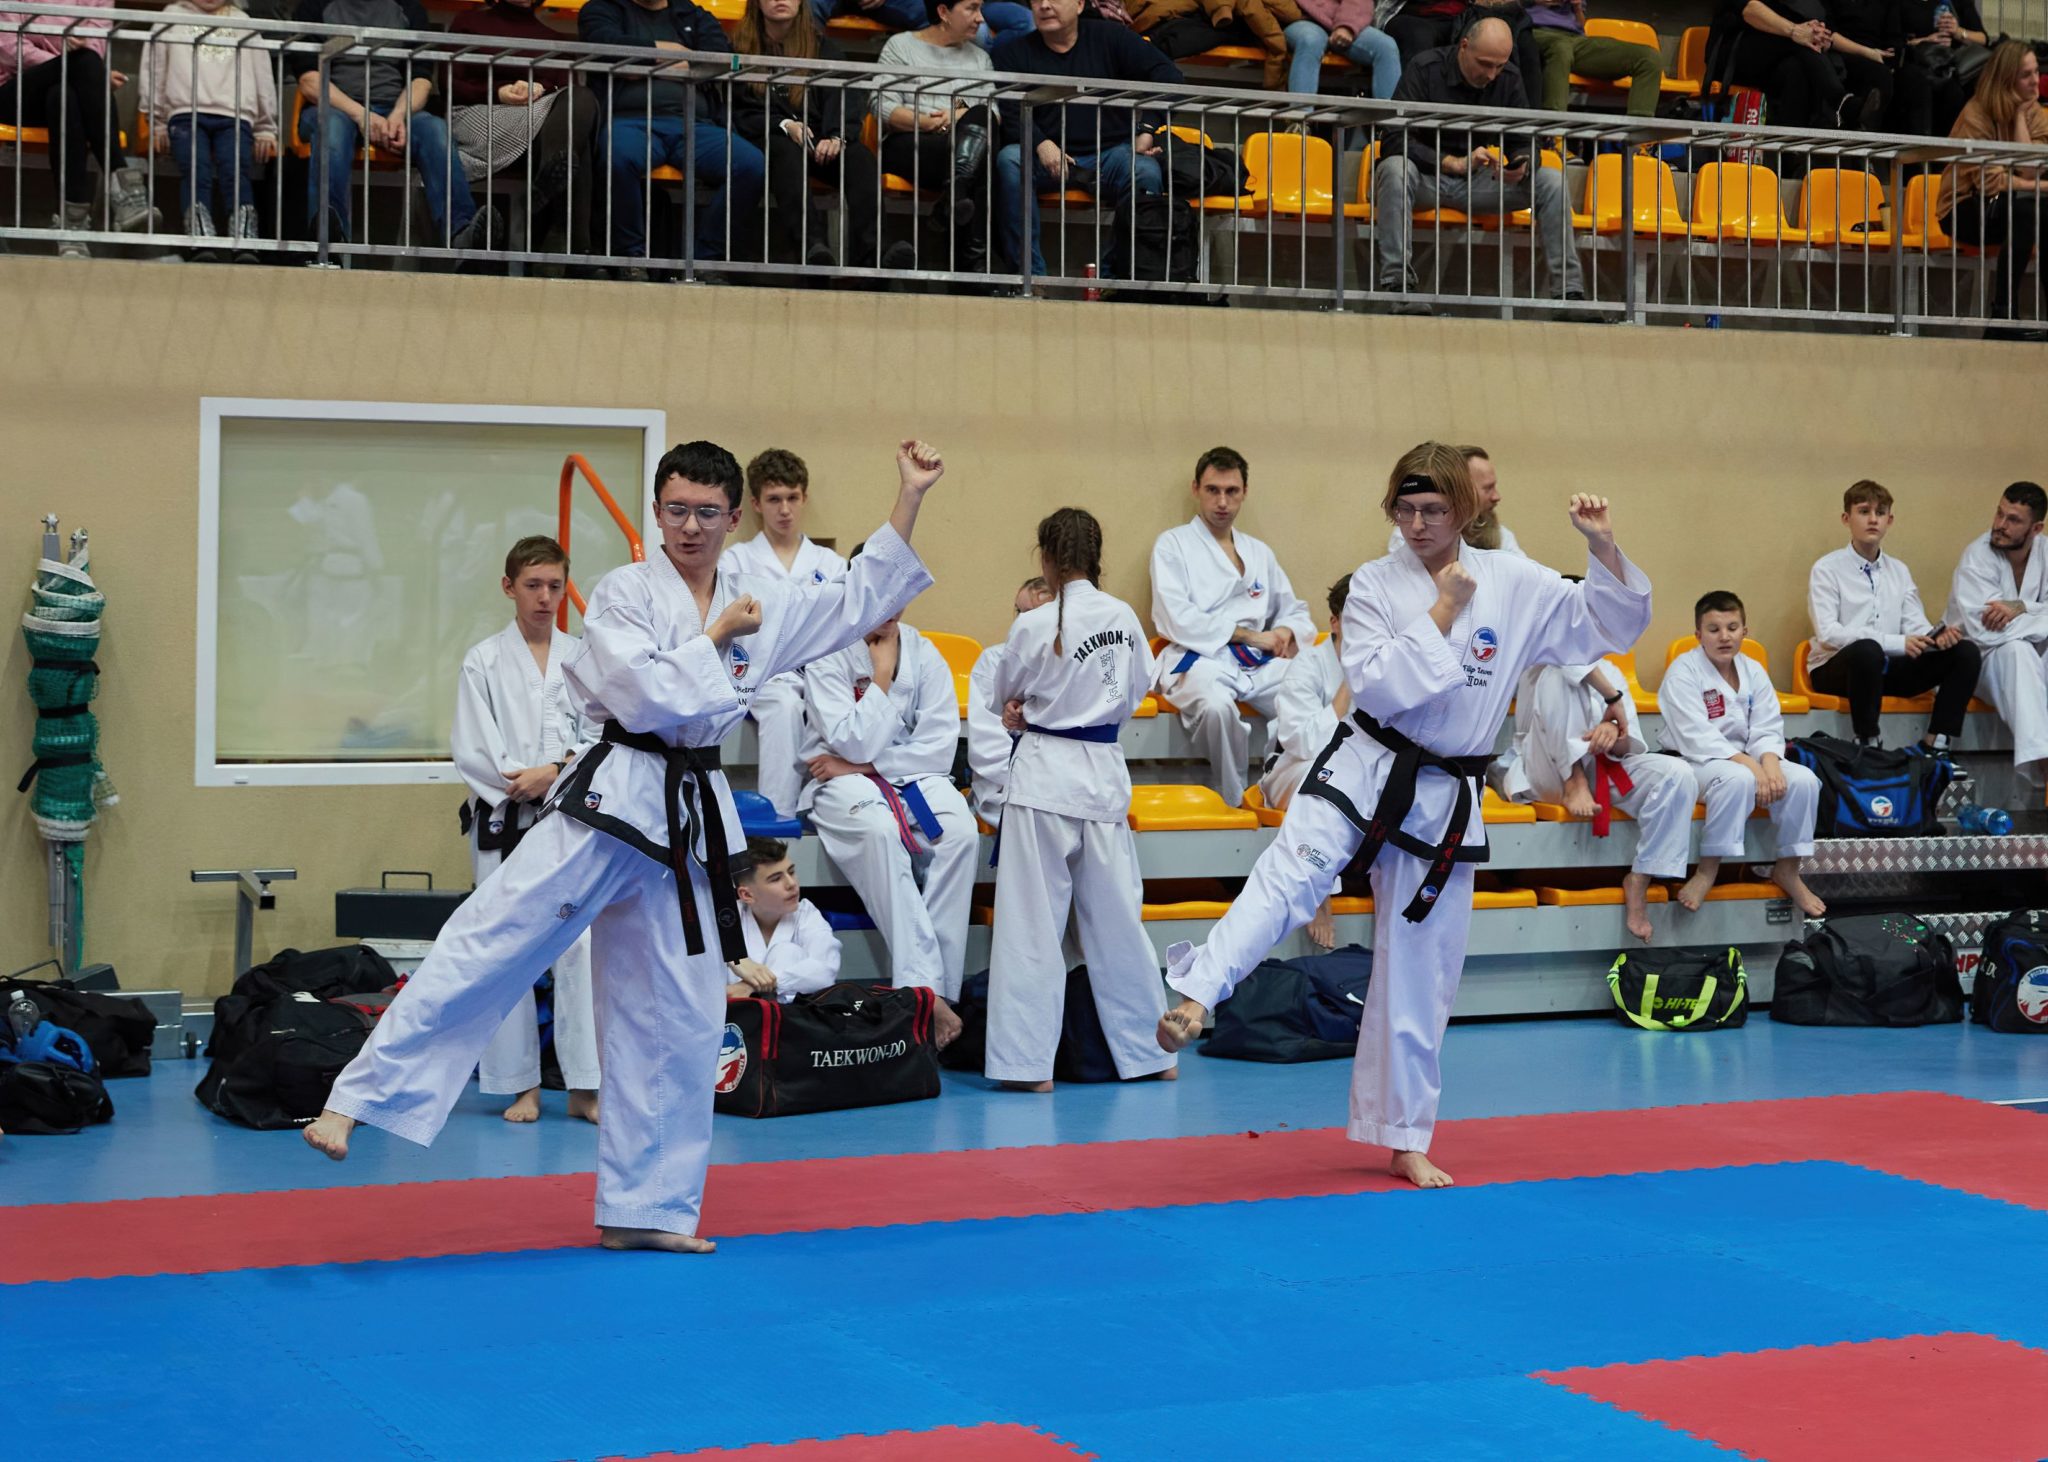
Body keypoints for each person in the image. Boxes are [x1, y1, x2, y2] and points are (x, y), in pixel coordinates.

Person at [302, 437, 952, 1258]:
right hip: (615, 797)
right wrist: (716, 636)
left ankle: (645, 1209)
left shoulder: (762, 597)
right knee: (494, 934)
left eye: (707, 512)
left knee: (678, 1015)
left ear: (734, 517)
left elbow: (859, 599)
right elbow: (641, 695)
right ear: (656, 512)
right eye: (676, 510)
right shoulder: (624, 592)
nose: (691, 526)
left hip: (690, 816)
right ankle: (355, 1099)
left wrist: (910, 495)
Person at [1156, 443, 1652, 1189]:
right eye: (1406, 510)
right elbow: (1381, 687)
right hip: (1365, 764)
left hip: (1445, 793)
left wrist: (1603, 547)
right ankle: (1200, 991)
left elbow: (1601, 627)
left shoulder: (1514, 581)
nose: (1418, 525)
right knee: (1289, 876)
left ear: (1466, 509)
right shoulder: (1373, 586)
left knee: (1423, 969)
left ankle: (1404, 1136)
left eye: (1434, 510)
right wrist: (1444, 610)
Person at [986, 508, 1173, 1091]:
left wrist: (1027, 710)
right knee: (1118, 923)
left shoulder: (1033, 624)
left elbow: (1003, 693)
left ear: (1046, 558)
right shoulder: (1122, 616)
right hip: (1102, 777)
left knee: (1031, 929)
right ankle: (1153, 1054)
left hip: (1044, 778)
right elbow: (1137, 690)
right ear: (1096, 557)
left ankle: (1026, 1067)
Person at [451, 536, 601, 1124]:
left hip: (571, 820)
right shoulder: (483, 661)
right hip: (504, 818)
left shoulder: (583, 658)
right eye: (533, 585)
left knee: (580, 946)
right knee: (507, 947)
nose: (544, 597)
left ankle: (585, 1085)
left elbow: (603, 739)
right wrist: (525, 781)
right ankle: (521, 1086)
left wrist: (555, 773)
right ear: (509, 587)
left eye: (555, 586)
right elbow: (473, 748)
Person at [800, 600, 977, 1010]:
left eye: (901, 597)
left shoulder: (923, 652)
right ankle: (926, 996)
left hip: (910, 775)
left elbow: (939, 748)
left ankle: (936, 991)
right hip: (837, 781)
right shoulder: (828, 652)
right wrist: (881, 675)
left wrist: (864, 765)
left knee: (961, 834)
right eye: (883, 595)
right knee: (880, 831)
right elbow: (851, 742)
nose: (893, 607)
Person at [1371, 19, 1590, 316]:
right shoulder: (1425, 68)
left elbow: (1525, 139)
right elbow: (1394, 139)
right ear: (1464, 46)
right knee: (1395, 168)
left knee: (1551, 180)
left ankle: (1569, 295)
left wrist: (1521, 164)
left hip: (1479, 182)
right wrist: (1452, 163)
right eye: (1485, 64)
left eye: (1499, 66)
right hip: (1425, 178)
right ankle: (1399, 289)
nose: (1491, 74)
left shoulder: (1509, 77)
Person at [1151, 445, 1317, 807]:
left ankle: (1280, 789)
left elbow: (1294, 610)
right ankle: (1233, 799)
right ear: (1196, 489)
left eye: (1232, 491)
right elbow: (1174, 616)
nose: (1222, 502)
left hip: (1256, 662)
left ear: (1244, 492)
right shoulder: (1173, 545)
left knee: (1306, 692)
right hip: (1201, 658)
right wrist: (1249, 635)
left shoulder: (1259, 552)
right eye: (1213, 490)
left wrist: (1285, 631)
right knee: (1216, 707)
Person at [1493, 657, 1694, 941]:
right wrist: (1610, 699)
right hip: (1547, 769)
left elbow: (1629, 745)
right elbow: (1567, 658)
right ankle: (1572, 777)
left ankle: (1640, 878)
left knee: (1679, 774)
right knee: (1558, 672)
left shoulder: (1611, 673)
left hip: (1603, 769)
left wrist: (1613, 731)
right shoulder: (1541, 662)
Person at [1658, 591, 1826, 917]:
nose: (1724, 636)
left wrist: (1771, 764)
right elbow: (1696, 736)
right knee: (1737, 780)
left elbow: (1767, 725)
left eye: (1732, 628)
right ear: (1698, 635)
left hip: (1748, 758)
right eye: (1714, 629)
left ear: (1744, 632)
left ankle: (1788, 869)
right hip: (1694, 761)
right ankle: (1707, 871)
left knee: (1804, 780)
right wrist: (1753, 767)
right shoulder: (1683, 672)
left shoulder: (1753, 670)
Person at [991, 0, 1184, 279]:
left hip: (1110, 154)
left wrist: (1147, 128)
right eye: (1037, 0)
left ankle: (1112, 279)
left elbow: (1170, 77)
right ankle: (1029, 279)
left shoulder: (1112, 37)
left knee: (1144, 172)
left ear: (1080, 5)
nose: (1044, 6)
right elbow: (1008, 111)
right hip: (1045, 155)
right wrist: (1040, 142)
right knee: (1010, 159)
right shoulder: (1013, 52)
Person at [579, 0, 762, 274]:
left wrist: (641, 64)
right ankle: (630, 260)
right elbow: (607, 47)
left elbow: (719, 58)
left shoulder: (693, 14)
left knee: (751, 165)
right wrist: (676, 54)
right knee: (617, 158)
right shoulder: (602, 8)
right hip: (629, 120)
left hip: (695, 124)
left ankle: (706, 261)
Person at [289, 0, 490, 248]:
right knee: (332, 129)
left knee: (435, 130)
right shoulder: (316, 5)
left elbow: (421, 80)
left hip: (395, 108)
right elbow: (309, 80)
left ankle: (462, 235)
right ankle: (328, 239)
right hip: (336, 107)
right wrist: (361, 115)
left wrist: (398, 115)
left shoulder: (408, 8)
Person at [733, 0, 913, 271]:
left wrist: (837, 136)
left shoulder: (820, 47)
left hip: (819, 136)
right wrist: (785, 125)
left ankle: (876, 252)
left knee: (860, 158)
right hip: (769, 136)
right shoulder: (740, 50)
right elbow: (740, 110)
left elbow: (844, 95)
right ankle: (812, 249)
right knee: (786, 153)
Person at [1806, 479, 1980, 752]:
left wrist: (1936, 638)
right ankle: (1868, 744)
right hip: (1838, 670)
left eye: (1880, 512)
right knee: (1868, 650)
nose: (1873, 520)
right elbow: (1829, 633)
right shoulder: (1826, 569)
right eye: (1864, 511)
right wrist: (1895, 642)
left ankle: (1937, 743)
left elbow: (1914, 622)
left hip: (1887, 668)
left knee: (1965, 652)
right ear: (1846, 519)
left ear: (1890, 520)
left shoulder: (1899, 570)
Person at [721, 449, 848, 818]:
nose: (785, 509)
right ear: (756, 504)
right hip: (762, 673)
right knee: (785, 704)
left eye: (792, 497)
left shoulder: (830, 564)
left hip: (820, 671)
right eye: (774, 499)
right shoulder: (736, 562)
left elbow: (841, 627)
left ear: (804, 497)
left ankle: (834, 809)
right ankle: (779, 817)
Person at [1, 0, 158, 256]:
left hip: (66, 90)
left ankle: (71, 227)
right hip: (14, 88)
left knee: (64, 96)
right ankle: (121, 181)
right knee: (85, 65)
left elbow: (95, 45)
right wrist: (74, 64)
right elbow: (9, 49)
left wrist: (78, 67)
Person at [447, 0, 598, 257]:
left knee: (580, 99)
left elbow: (566, 87)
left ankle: (548, 190)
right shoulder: (467, 23)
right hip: (478, 111)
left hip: (536, 117)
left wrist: (541, 89)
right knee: (574, 151)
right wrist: (497, 91)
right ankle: (575, 248)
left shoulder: (554, 40)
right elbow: (450, 83)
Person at [141, 0, 280, 256]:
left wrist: (265, 126)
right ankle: (200, 238)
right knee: (196, 170)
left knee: (235, 171)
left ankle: (244, 241)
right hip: (185, 112)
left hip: (236, 114)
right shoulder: (171, 16)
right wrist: (157, 121)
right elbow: (155, 69)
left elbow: (262, 74)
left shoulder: (243, 21)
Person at [874, 0, 1000, 276]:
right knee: (981, 161)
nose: (980, 18)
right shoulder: (901, 46)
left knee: (981, 144)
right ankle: (973, 270)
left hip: (956, 147)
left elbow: (991, 113)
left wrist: (958, 115)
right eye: (971, 8)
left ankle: (953, 196)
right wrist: (930, 122)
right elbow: (884, 106)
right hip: (911, 144)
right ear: (943, 12)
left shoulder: (979, 58)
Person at [1260, 576, 1349, 951]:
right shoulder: (1308, 665)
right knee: (1322, 776)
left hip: (1356, 773)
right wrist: (1350, 687)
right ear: (1335, 622)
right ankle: (1318, 893)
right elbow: (1303, 743)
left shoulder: (1387, 666)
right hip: (1290, 770)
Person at [1947, 482, 2048, 788]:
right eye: (1999, 513)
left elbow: (2015, 623)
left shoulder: (2045, 553)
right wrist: (2039, 615)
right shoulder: (1977, 557)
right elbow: (1988, 633)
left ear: (2036, 528)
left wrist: (2021, 607)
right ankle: (2044, 763)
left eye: (2013, 519)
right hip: (1981, 662)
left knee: (2023, 649)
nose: (2000, 525)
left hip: (2031, 661)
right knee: (2016, 650)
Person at [1939, 42, 2047, 325]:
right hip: (1963, 208)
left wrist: (2020, 117)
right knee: (2027, 210)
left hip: (2012, 206)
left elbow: (2030, 170)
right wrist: (2039, 187)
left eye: (2037, 72)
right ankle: (2003, 313)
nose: (2036, 81)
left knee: (2037, 212)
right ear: (2007, 79)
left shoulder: (2034, 111)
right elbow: (1990, 182)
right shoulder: (1976, 113)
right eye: (2026, 75)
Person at [967, 576, 1057, 829]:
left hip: (1058, 782)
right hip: (1004, 785)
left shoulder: (1068, 665)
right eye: (1019, 612)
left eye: (1032, 614)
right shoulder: (993, 662)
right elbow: (987, 746)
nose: (1021, 622)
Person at [1703, 0, 1863, 133]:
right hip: (1733, 54)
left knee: (1795, 68)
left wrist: (1818, 35)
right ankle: (1841, 102)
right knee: (1799, 43)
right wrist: (1795, 31)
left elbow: (1816, 28)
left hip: (1773, 60)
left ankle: (1792, 148)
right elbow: (1750, 9)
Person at [726, 835, 842, 1001]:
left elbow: (825, 970)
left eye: (791, 872)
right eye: (776, 879)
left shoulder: (806, 914)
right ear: (747, 895)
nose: (791, 884)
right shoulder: (726, 920)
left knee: (787, 951)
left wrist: (751, 986)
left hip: (791, 1013)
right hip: (732, 1013)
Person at [1526, 0, 1665, 117]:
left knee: (1648, 57)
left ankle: (1638, 133)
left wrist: (1577, 6)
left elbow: (1580, 25)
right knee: (1561, 48)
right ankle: (1553, 131)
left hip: (1575, 38)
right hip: (1536, 32)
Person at [1385, 445, 1521, 556]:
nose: (1496, 496)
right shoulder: (1409, 536)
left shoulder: (1501, 535)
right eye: (1487, 488)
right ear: (1463, 490)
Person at [1283, 0, 1400, 98]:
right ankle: (1301, 116)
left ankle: (1391, 118)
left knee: (1386, 46)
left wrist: (1346, 25)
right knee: (1311, 41)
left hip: (1342, 17)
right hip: (1300, 18)